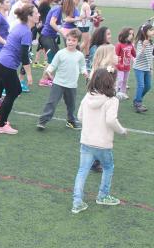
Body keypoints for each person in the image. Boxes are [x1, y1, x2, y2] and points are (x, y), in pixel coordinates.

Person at [71, 67, 127, 214]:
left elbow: (80, 116)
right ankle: (103, 195)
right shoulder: (112, 100)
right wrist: (121, 131)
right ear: (110, 82)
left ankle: (77, 202)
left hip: (86, 141)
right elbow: (111, 120)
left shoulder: (87, 96)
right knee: (108, 167)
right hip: (102, 143)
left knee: (82, 171)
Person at [0, 5, 39, 134]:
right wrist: (29, 75)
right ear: (29, 16)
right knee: (13, 92)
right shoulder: (26, 32)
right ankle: (1, 125)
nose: (39, 15)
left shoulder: (21, 27)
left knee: (15, 90)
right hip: (6, 64)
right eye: (36, 13)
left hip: (1, 62)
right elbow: (24, 55)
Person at [36, 29, 88, 131]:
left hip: (72, 85)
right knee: (51, 103)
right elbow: (53, 65)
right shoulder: (61, 53)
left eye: (73, 40)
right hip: (58, 83)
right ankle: (42, 121)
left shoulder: (80, 55)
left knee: (71, 105)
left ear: (78, 42)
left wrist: (85, 72)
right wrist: (49, 71)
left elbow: (82, 66)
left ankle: (71, 121)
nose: (70, 42)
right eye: (68, 40)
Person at [133, 23, 154, 113]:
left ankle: (137, 99)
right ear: (145, 32)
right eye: (151, 30)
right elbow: (138, 57)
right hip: (139, 68)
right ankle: (138, 103)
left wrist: (151, 68)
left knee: (148, 86)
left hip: (147, 68)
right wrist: (143, 47)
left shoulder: (151, 43)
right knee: (141, 85)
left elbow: (151, 57)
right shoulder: (140, 43)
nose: (153, 32)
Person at [115, 27, 135, 100]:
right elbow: (115, 55)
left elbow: (134, 54)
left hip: (127, 67)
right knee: (120, 80)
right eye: (130, 34)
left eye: (132, 34)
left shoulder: (131, 45)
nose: (131, 35)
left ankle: (123, 93)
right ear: (124, 34)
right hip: (120, 66)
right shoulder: (119, 44)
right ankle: (116, 92)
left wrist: (134, 58)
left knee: (125, 81)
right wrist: (118, 63)